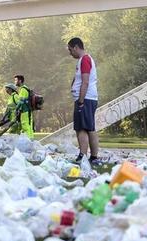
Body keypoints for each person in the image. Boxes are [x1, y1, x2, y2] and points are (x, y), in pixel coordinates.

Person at [67, 37, 100, 165]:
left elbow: (85, 82)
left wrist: (80, 101)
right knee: (90, 127)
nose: (70, 53)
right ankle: (93, 157)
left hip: (85, 98)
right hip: (87, 98)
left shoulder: (85, 59)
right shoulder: (83, 60)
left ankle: (83, 156)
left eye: (70, 50)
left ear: (76, 47)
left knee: (82, 128)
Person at [13, 74, 35, 139]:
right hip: (27, 110)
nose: (15, 82)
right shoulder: (25, 88)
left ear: (20, 81)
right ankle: (31, 139)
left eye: (16, 80)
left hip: (25, 110)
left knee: (25, 125)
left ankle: (29, 140)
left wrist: (16, 109)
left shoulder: (23, 89)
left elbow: (21, 101)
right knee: (28, 125)